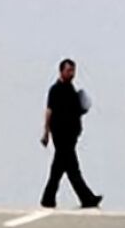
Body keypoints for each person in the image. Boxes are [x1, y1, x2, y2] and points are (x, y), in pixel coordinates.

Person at [40, 58, 102, 209]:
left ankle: (48, 198)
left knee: (60, 168)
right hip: (61, 135)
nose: (72, 73)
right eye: (69, 70)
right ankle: (87, 198)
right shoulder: (56, 90)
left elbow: (75, 110)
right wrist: (46, 133)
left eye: (73, 70)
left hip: (71, 135)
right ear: (61, 71)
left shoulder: (71, 89)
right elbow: (49, 112)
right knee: (72, 169)